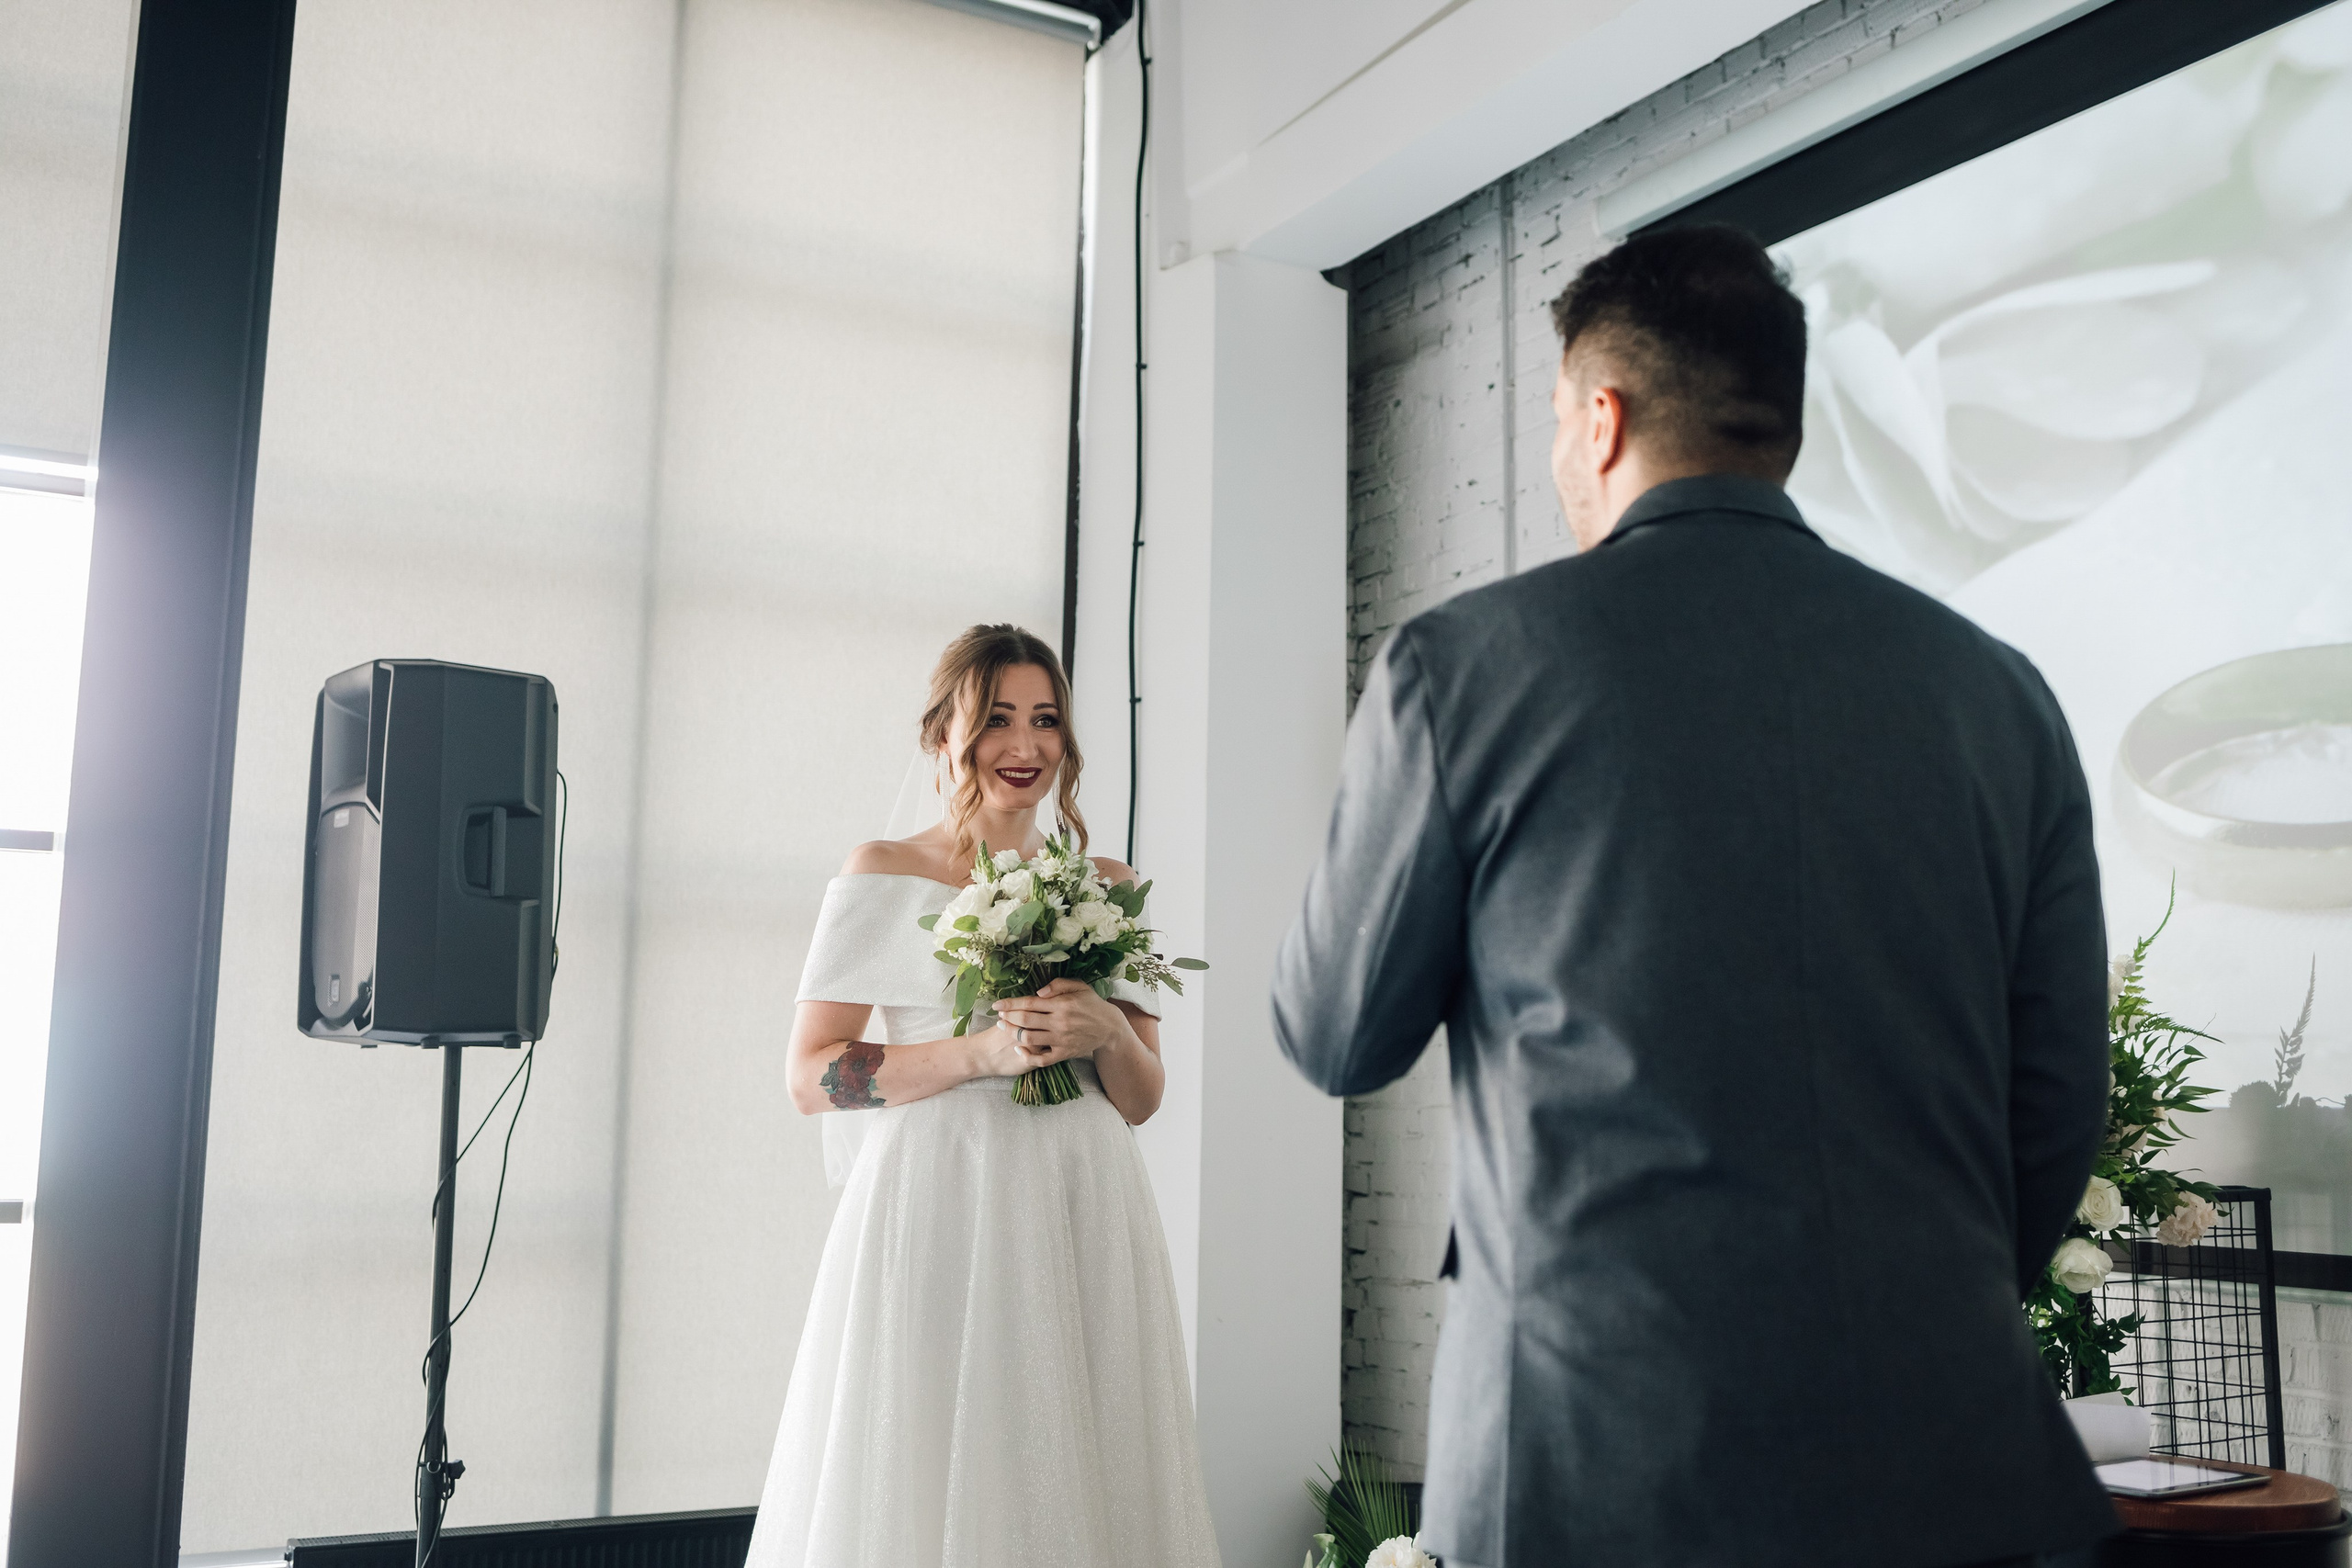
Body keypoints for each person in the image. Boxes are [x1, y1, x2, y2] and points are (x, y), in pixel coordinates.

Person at [1271, 225, 2115, 1568]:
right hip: (1948, 1465)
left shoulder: (1462, 668)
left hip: (1579, 1465)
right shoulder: (1998, 690)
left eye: (1557, 419)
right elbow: (2062, 1091)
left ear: (1599, 419)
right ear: (1776, 421)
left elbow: (1336, 1032)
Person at [746, 624, 1221, 1568]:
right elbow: (810, 1076)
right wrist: (977, 1055)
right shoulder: (882, 870)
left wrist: (1104, 1033)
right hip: (939, 1194)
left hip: (1082, 1197)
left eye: (1045, 721)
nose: (1026, 745)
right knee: (929, 1451)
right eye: (998, 718)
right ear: (944, 736)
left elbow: (1144, 1096)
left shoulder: (1110, 886)